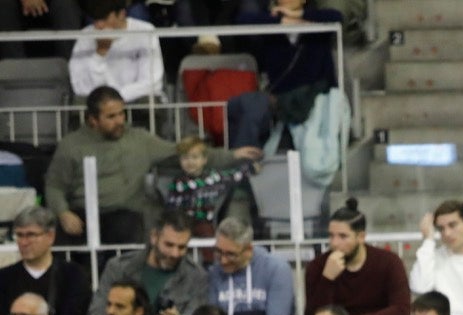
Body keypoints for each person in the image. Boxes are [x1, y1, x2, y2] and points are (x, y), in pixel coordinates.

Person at [44, 87, 258, 247]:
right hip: (80, 215)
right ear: (92, 119)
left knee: (128, 231)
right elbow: (54, 186)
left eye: (121, 113)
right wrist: (63, 213)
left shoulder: (140, 139)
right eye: (111, 116)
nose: (120, 120)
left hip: (124, 215)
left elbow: (185, 153)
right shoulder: (70, 145)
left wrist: (233, 155)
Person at [228, 0, 342, 149]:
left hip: (314, 98)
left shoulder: (316, 20)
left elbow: (337, 16)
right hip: (281, 99)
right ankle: (242, 163)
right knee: (247, 105)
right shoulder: (270, 22)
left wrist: (298, 15)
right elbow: (242, 20)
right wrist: (280, 21)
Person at [304, 201, 412, 315]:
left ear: (361, 237)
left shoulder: (388, 261)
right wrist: (327, 279)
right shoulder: (318, 266)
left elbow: (401, 310)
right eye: (331, 236)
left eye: (343, 236)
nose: (334, 243)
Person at [89, 211, 207, 315]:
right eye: (169, 245)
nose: (175, 253)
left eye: (182, 247)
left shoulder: (196, 275)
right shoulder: (118, 268)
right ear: (154, 238)